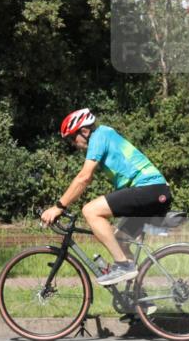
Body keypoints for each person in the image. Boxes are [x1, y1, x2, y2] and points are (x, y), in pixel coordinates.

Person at [40, 108, 171, 285]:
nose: (73, 143)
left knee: (91, 211)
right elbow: (86, 180)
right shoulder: (103, 135)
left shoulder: (99, 136)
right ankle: (138, 303)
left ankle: (123, 266)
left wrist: (59, 206)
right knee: (120, 242)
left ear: (84, 131)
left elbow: (84, 177)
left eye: (72, 138)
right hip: (154, 192)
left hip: (149, 189)